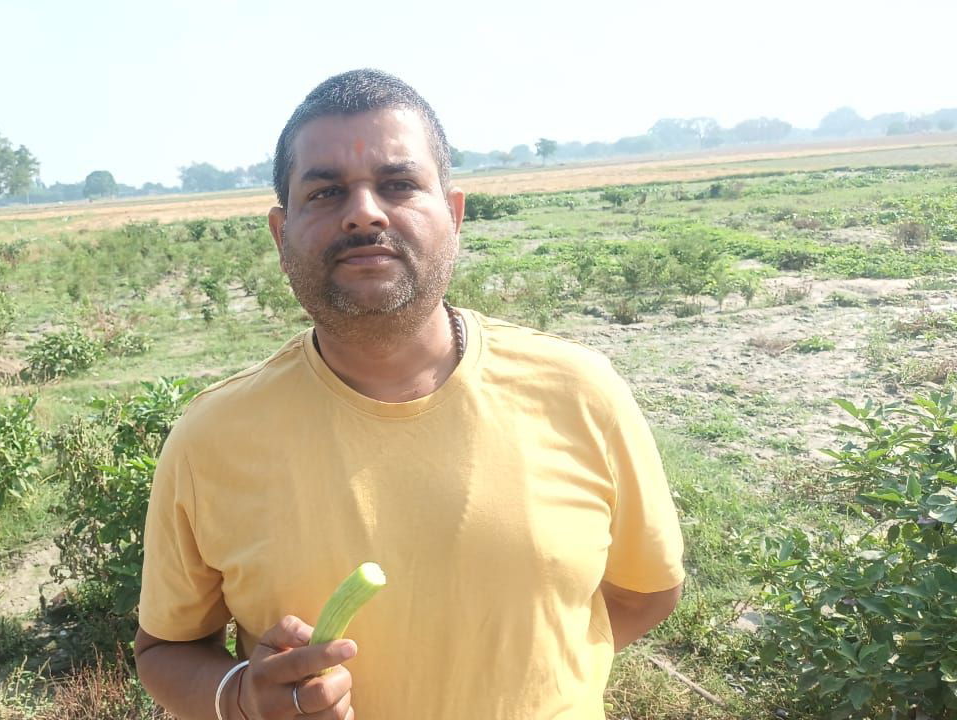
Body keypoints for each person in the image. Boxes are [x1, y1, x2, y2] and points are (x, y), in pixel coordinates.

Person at [135, 68, 684, 720]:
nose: (364, 211)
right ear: (282, 237)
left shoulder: (581, 393)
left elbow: (646, 593)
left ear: (452, 215)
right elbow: (164, 649)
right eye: (326, 191)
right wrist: (244, 699)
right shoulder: (212, 439)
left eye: (397, 184)